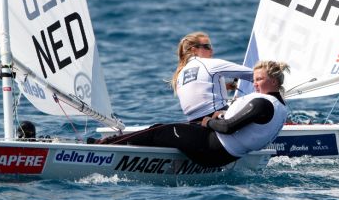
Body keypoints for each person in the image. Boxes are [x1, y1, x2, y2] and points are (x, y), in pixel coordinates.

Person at [95, 61, 290, 168]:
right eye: (254, 79)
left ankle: (104, 147)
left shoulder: (263, 104)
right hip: (225, 155)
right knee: (165, 131)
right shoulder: (281, 106)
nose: (255, 84)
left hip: (213, 149)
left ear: (273, 81)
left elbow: (228, 128)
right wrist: (220, 117)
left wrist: (207, 121)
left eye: (259, 79)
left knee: (159, 131)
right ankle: (118, 145)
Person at [172, 32, 254, 122]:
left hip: (194, 121)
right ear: (194, 50)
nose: (212, 50)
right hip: (217, 116)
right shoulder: (209, 64)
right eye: (207, 46)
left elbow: (199, 88)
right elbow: (252, 74)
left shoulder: (180, 74)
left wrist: (225, 86)